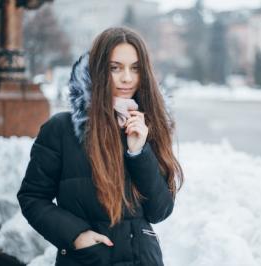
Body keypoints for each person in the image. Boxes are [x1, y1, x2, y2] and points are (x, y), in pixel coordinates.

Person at [17, 27, 184, 266]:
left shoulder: (149, 125)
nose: (127, 78)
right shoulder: (62, 129)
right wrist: (76, 236)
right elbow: (33, 197)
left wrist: (139, 152)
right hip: (88, 259)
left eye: (135, 68)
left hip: (142, 259)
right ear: (97, 70)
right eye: (115, 68)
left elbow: (159, 211)